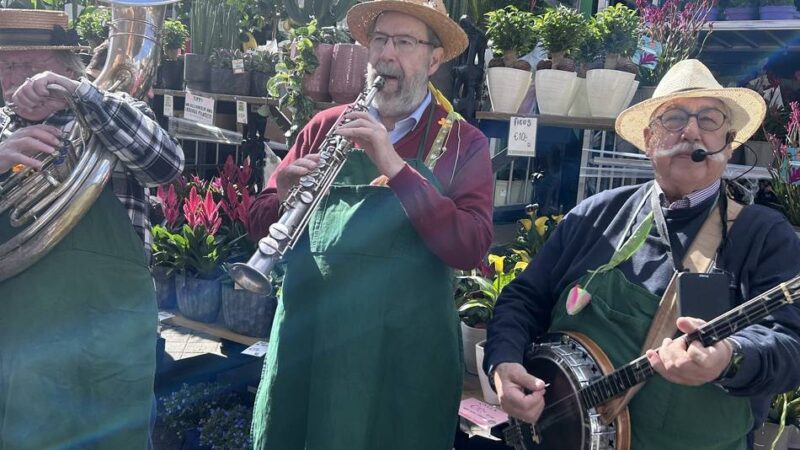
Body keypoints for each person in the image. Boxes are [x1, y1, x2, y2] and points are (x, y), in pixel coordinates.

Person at [484, 59, 800, 450]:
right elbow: (524, 297)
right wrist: (504, 362)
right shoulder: (596, 214)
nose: (691, 131)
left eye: (709, 119)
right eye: (674, 118)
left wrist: (729, 358)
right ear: (649, 139)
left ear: (729, 142)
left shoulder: (764, 236)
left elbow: (789, 343)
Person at [247, 1, 493, 449]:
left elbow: (471, 246)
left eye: (404, 42)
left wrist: (396, 168)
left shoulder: (463, 142)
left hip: (401, 363)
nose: (386, 54)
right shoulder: (325, 126)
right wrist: (281, 191)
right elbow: (259, 224)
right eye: (379, 40)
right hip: (310, 350)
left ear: (434, 59)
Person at [0, 9, 183, 449]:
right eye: (3, 65)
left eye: (26, 65)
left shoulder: (112, 110)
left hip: (110, 324)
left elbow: (166, 165)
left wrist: (80, 96)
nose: (12, 79)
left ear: (67, 68)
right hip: (20, 331)